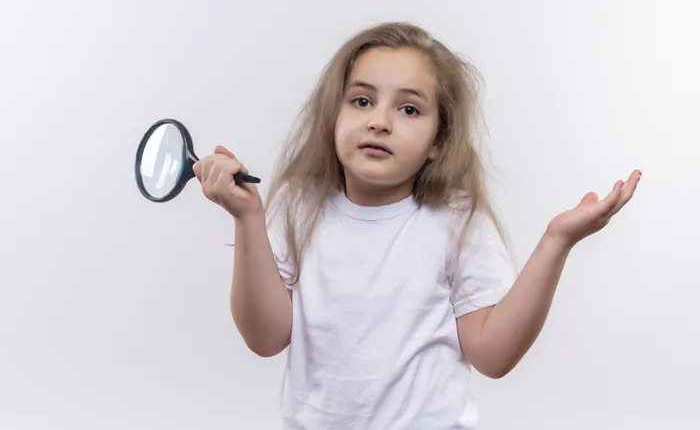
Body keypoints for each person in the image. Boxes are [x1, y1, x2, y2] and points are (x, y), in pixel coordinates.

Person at [192, 22, 642, 429]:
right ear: (334, 116)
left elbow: (493, 355)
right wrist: (246, 216)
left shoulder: (456, 219)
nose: (379, 121)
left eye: (409, 110)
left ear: (437, 142)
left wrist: (556, 241)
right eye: (362, 100)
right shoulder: (298, 205)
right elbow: (266, 338)